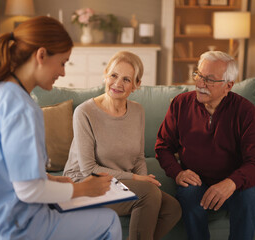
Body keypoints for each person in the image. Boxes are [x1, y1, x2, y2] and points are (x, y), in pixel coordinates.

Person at [0, 16, 121, 240]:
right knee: (109, 221)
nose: (63, 73)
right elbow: (29, 190)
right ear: (41, 55)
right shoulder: (23, 108)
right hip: (16, 227)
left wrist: (48, 179)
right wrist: (84, 190)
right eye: (62, 62)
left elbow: (7, 169)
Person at [63, 51, 181, 240]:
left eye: (126, 79)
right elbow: (89, 169)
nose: (118, 84)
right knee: (149, 195)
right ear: (105, 74)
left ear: (136, 85)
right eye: (114, 75)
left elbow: (139, 157)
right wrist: (138, 180)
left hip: (120, 184)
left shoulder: (137, 111)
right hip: (85, 184)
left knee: (172, 209)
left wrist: (142, 180)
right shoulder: (84, 112)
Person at [155, 51, 255, 240]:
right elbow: (163, 146)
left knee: (249, 196)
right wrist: (178, 173)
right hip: (196, 180)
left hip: (234, 181)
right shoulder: (180, 104)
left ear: (228, 86)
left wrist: (231, 183)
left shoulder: (246, 111)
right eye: (198, 75)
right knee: (189, 195)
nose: (200, 83)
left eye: (209, 79)